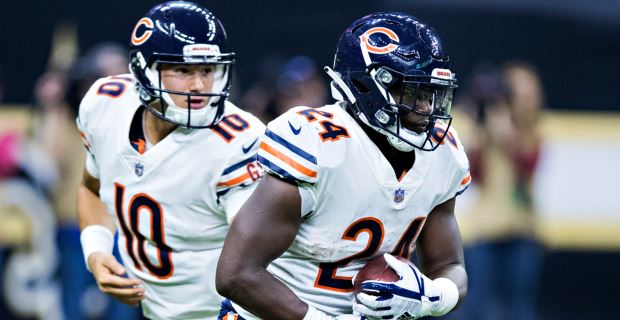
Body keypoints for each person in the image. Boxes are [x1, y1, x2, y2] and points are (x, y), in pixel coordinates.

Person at [216, 12, 470, 320]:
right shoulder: (317, 144)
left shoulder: (444, 152)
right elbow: (236, 274)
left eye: (432, 94)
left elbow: (450, 265)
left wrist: (432, 297)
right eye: (414, 92)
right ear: (366, 85)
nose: (425, 108)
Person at [76, 1, 265, 319]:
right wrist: (95, 251)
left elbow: (267, 256)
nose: (199, 86)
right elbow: (92, 187)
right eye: (183, 70)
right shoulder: (104, 104)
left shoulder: (239, 141)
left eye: (207, 69)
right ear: (143, 68)